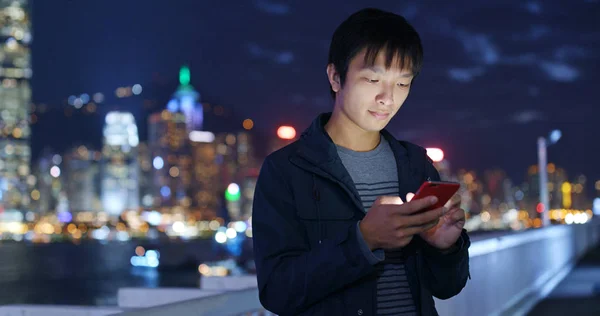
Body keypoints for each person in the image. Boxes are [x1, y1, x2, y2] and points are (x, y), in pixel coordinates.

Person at [252, 7, 470, 316]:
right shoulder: (287, 170)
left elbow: (447, 287)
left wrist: (445, 247)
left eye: (402, 83)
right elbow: (276, 292)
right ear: (335, 77)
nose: (388, 98)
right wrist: (363, 241)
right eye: (372, 79)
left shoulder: (415, 165)